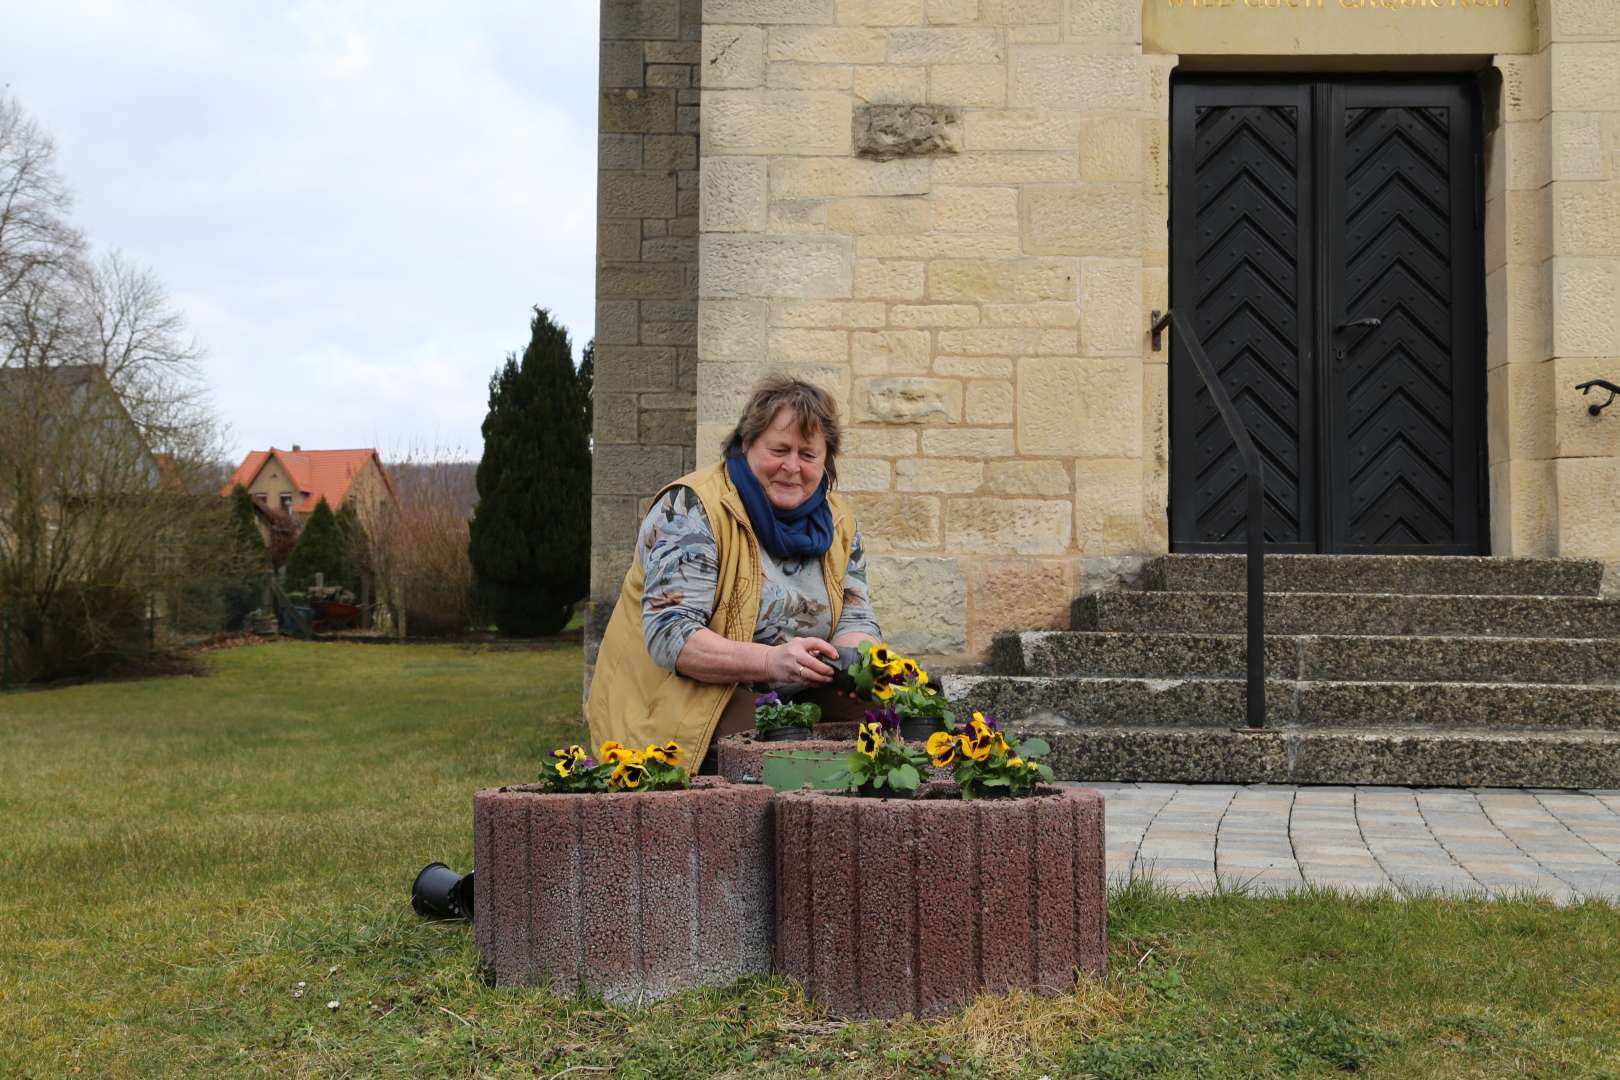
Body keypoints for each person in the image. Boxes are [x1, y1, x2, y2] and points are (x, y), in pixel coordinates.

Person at [587, 375, 882, 769]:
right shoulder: (691, 507)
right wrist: (770, 662)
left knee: (887, 725)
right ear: (747, 444)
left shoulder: (838, 520)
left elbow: (855, 615)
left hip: (793, 690)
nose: (792, 467)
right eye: (779, 449)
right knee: (776, 755)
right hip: (683, 697)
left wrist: (851, 662)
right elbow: (672, 635)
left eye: (808, 455)